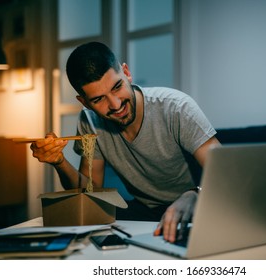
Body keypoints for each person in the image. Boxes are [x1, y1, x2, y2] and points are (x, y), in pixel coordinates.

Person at [30, 42, 220, 243]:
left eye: (117, 87)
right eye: (98, 99)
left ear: (127, 73)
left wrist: (195, 195)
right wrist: (59, 162)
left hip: (198, 208)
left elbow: (227, 179)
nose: (116, 104)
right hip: (144, 211)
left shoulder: (177, 108)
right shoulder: (90, 122)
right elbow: (89, 193)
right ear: (84, 102)